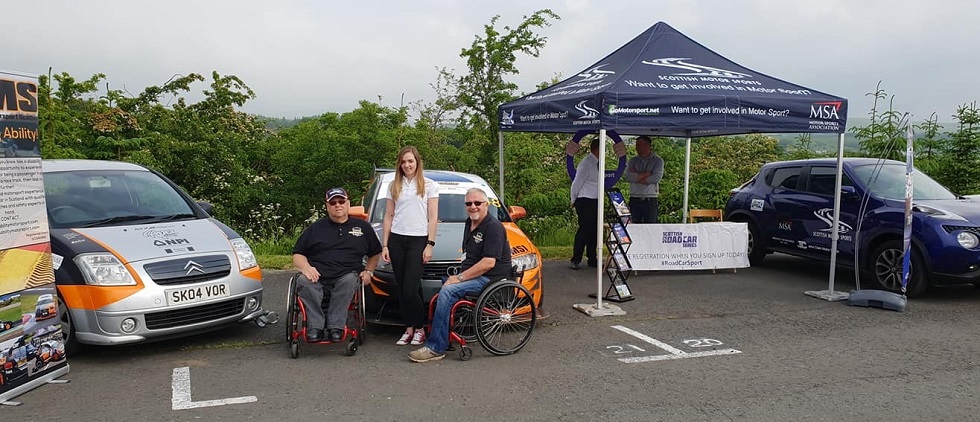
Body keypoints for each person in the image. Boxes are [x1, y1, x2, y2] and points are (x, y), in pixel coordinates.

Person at [408, 188, 512, 363]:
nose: (473, 207)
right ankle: (441, 336)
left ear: (486, 205)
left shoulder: (494, 228)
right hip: (474, 275)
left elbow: (488, 263)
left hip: (491, 279)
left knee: (448, 291)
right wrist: (457, 275)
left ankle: (436, 348)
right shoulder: (469, 223)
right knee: (441, 288)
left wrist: (460, 278)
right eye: (469, 203)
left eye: (477, 203)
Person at [293, 187, 382, 342]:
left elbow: (375, 252)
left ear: (348, 204)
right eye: (333, 202)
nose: (337, 205)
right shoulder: (316, 228)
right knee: (302, 281)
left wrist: (369, 271)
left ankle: (336, 327)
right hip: (318, 276)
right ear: (327, 206)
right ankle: (315, 327)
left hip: (346, 275)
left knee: (348, 282)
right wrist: (306, 268)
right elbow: (298, 254)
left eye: (341, 201)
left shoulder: (363, 228)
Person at [382, 146, 439, 346]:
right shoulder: (393, 185)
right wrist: (385, 245)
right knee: (404, 287)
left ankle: (421, 328)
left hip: (418, 240)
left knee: (409, 288)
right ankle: (408, 328)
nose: (407, 165)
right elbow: (388, 215)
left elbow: (433, 218)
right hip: (397, 240)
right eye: (403, 162)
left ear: (417, 162)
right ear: (399, 164)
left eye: (410, 161)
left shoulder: (429, 185)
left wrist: (430, 244)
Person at [569, 138, 601, 270]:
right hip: (584, 199)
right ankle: (576, 259)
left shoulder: (598, 163)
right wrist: (573, 199)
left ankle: (592, 258)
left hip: (595, 200)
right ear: (596, 149)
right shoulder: (586, 163)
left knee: (594, 230)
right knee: (585, 229)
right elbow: (577, 182)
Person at [624, 136, 665, 223]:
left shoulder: (657, 161)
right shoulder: (633, 161)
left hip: (650, 199)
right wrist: (647, 174)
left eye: (638, 145)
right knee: (634, 226)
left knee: (650, 227)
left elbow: (656, 178)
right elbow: (628, 177)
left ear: (647, 146)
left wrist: (637, 177)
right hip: (634, 199)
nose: (636, 147)